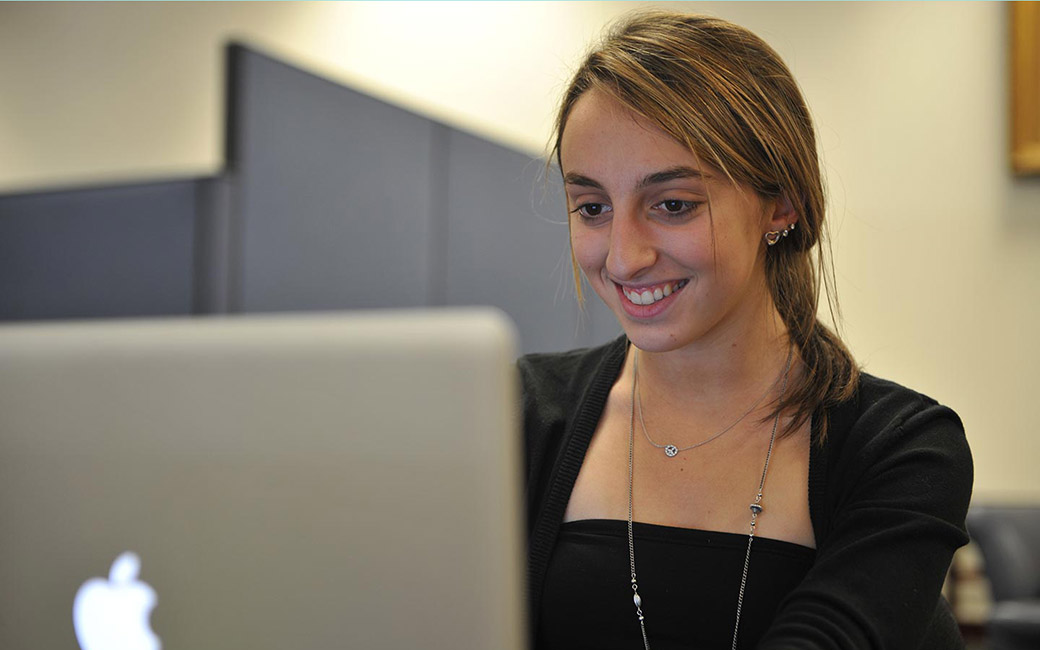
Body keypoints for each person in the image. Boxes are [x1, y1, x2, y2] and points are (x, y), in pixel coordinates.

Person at [518, 10, 973, 650]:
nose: (623, 257)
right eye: (592, 208)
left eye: (672, 204)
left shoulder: (901, 448)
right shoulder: (520, 415)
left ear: (780, 202)